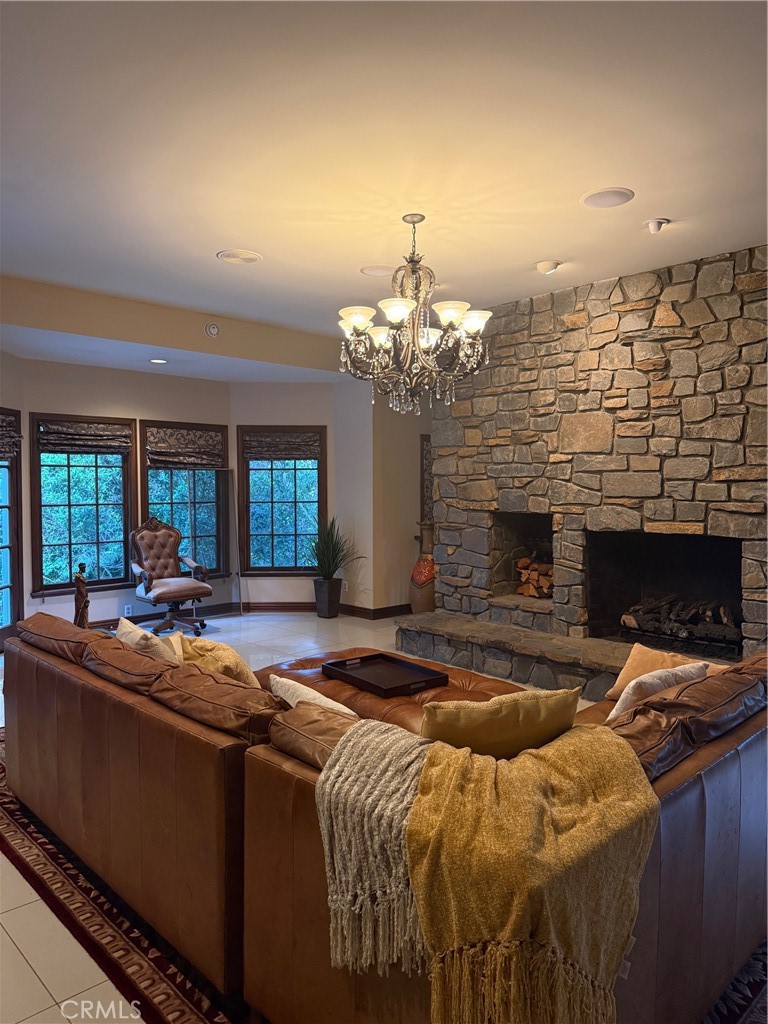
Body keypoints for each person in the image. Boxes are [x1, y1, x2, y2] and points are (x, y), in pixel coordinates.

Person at [73, 562, 90, 629]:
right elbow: (80, 588)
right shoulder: (78, 577)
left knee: (84, 612)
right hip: (80, 597)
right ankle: (80, 627)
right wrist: (85, 596)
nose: (85, 569)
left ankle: (85, 626)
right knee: (80, 612)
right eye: (84, 568)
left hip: (83, 596)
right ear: (81, 568)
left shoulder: (81, 576)